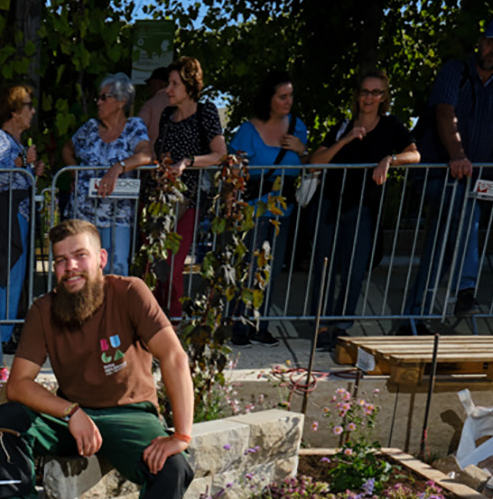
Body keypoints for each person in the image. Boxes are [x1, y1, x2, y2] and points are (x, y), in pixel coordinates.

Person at [0, 218, 196, 499]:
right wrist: (70, 412)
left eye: (80, 256)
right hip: (73, 413)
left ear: (100, 258)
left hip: (130, 413)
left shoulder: (129, 291)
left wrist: (181, 435)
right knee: (2, 423)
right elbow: (19, 385)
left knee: (173, 468)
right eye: (60, 260)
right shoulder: (44, 310)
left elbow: (173, 356)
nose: (70, 267)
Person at [402, 16, 493, 331]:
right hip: (437, 173)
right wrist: (457, 156)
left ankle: (412, 318)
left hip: (471, 177)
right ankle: (466, 290)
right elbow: (445, 113)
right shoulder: (455, 71)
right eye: (490, 41)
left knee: (442, 247)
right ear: (480, 40)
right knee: (466, 212)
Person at [308, 69, 420, 350]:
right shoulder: (343, 125)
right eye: (365, 92)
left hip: (363, 208)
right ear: (357, 96)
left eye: (376, 92)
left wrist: (389, 159)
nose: (369, 98)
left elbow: (415, 154)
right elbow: (315, 163)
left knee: (354, 270)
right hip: (330, 203)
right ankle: (321, 326)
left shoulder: (391, 126)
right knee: (324, 268)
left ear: (384, 97)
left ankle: (341, 325)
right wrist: (344, 140)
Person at [224, 71, 308, 347]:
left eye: (290, 96)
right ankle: (238, 322)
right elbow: (233, 169)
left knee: (271, 268)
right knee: (247, 265)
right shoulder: (248, 131)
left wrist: (302, 150)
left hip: (282, 211)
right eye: (282, 96)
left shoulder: (298, 128)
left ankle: (260, 323)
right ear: (268, 99)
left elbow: (309, 167)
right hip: (252, 208)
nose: (288, 101)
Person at [149, 56, 227, 319]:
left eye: (174, 83)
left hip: (189, 201)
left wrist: (187, 162)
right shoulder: (166, 116)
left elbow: (220, 154)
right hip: (161, 200)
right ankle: (156, 323)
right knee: (156, 265)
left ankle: (174, 324)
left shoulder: (206, 112)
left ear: (190, 85)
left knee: (172, 267)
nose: (168, 89)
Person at [62, 73, 152, 275]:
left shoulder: (133, 127)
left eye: (104, 97)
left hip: (117, 215)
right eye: (98, 97)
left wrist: (117, 168)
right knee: (84, 272)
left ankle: (114, 308)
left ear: (121, 102)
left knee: (117, 271)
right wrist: (76, 175)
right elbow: (67, 150)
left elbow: (147, 155)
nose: (99, 102)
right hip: (84, 213)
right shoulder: (89, 129)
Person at [0, 84, 45, 354]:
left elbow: (17, 176)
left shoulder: (17, 142)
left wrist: (33, 171)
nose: (32, 111)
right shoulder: (0, 139)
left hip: (19, 213)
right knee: (9, 272)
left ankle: (5, 332)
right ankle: (0, 336)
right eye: (28, 106)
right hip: (8, 214)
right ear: (14, 112)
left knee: (16, 274)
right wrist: (22, 164)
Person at [134, 68, 171, 138]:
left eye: (150, 84)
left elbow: (138, 129)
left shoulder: (151, 104)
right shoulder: (180, 102)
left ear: (157, 83)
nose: (150, 88)